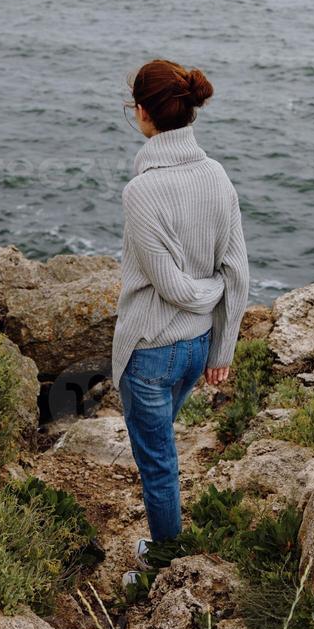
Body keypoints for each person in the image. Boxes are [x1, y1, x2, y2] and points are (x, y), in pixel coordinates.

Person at [114, 59, 249, 584]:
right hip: (197, 349)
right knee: (162, 447)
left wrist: (208, 291)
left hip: (149, 351)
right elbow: (237, 271)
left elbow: (171, 287)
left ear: (143, 113)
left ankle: (164, 562)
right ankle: (166, 536)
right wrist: (223, 348)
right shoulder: (216, 175)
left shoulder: (141, 193)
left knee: (158, 463)